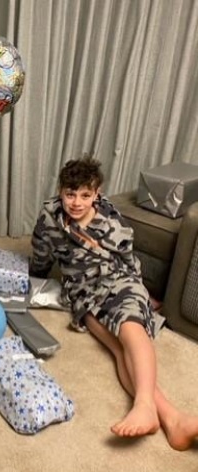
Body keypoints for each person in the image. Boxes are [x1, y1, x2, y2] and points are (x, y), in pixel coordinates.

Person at [30, 154, 198, 451]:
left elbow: (128, 259)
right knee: (118, 348)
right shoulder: (50, 216)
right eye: (70, 194)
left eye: (85, 195)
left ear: (97, 193)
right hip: (84, 292)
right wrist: (34, 277)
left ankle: (145, 406)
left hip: (119, 280)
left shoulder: (110, 217)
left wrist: (140, 294)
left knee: (131, 328)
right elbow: (41, 254)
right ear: (60, 191)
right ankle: (174, 421)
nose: (77, 202)